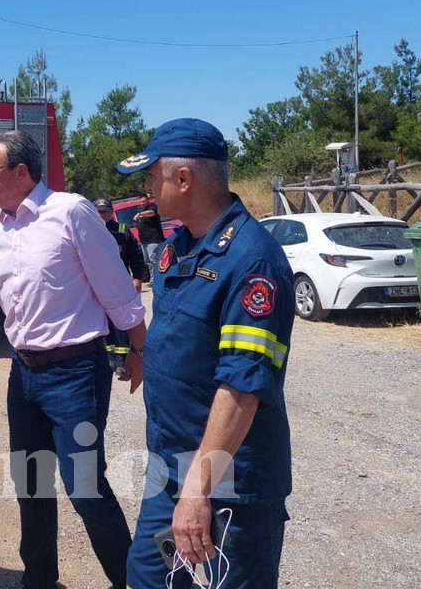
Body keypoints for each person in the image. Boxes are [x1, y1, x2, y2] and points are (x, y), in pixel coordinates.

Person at [0, 130, 146, 589]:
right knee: (31, 483)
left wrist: (137, 349)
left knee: (85, 487)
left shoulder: (71, 212)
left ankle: (132, 581)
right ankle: (39, 580)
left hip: (76, 372)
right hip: (24, 374)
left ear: (20, 172)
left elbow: (117, 288)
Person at [116, 118, 294, 589]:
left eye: (150, 176)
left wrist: (199, 488)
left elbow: (243, 386)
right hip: (169, 467)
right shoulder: (179, 248)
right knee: (146, 578)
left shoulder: (252, 260)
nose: (145, 189)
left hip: (226, 477)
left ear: (183, 178)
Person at [94, 197, 147, 381]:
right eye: (99, 212)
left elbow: (136, 255)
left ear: (111, 212)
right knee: (105, 323)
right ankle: (110, 358)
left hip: (120, 284)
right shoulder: (90, 230)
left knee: (122, 323)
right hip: (99, 285)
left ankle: (122, 361)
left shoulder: (122, 230)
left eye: (105, 211)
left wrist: (137, 277)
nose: (102, 215)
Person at [134, 191, 165, 279]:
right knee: (147, 261)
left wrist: (140, 214)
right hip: (144, 240)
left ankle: (157, 279)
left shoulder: (153, 207)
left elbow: (152, 213)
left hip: (153, 239)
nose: (142, 203)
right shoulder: (140, 209)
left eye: (143, 201)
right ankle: (153, 279)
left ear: (148, 200)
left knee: (154, 260)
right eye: (140, 202)